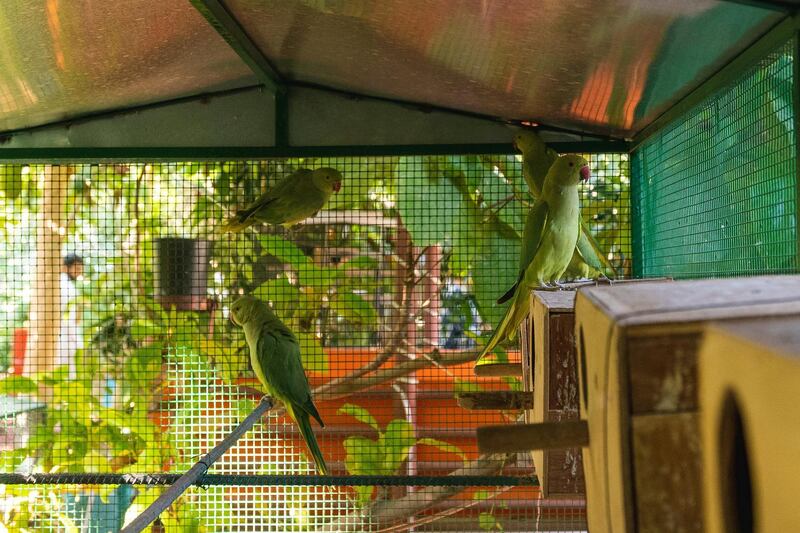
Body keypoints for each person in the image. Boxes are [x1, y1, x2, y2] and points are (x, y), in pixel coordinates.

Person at [57, 253, 84, 379]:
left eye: (80, 268)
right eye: (76, 267)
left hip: (67, 333)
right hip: (65, 334)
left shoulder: (69, 284)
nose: (79, 271)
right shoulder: (64, 284)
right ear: (66, 267)